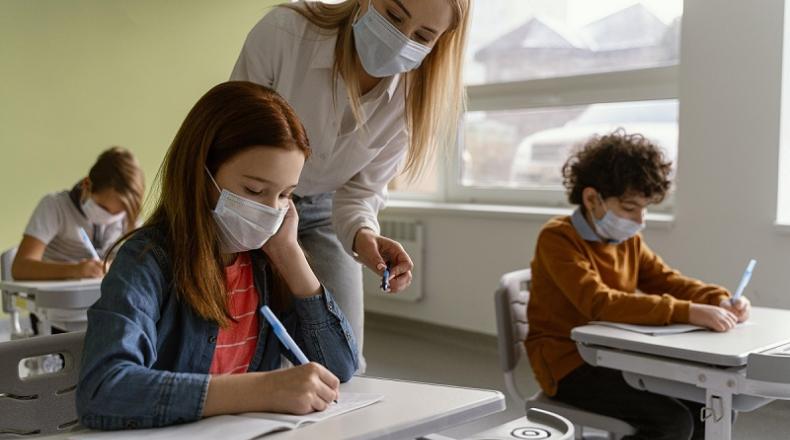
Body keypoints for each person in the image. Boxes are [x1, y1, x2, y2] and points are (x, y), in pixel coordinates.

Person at [76, 82, 358, 429]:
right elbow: (103, 389)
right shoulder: (147, 260)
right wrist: (261, 390)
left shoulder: (265, 263)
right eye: (254, 189)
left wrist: (290, 254)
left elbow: (340, 368)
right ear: (201, 174)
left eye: (286, 195)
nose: (272, 211)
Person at [231, 0, 471, 367]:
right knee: (244, 349)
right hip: (249, 197)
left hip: (323, 210)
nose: (400, 40)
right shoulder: (285, 33)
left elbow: (360, 192)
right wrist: (263, 213)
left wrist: (364, 236)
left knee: (344, 361)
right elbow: (230, 139)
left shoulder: (414, 98)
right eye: (394, 15)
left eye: (423, 36)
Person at [526, 130, 751, 440]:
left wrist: (718, 299)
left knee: (713, 407)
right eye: (630, 208)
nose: (639, 220)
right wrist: (688, 311)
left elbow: (666, 279)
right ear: (592, 199)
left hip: (617, 355)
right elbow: (599, 302)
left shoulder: (627, 240)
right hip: (567, 365)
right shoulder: (557, 238)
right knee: (673, 423)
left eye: (645, 209)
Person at [12, 146, 144, 333]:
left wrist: (114, 266)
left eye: (117, 214)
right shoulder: (54, 207)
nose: (110, 218)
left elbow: (140, 264)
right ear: (87, 185)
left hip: (108, 312)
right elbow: (20, 267)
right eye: (104, 209)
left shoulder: (129, 216)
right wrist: (76, 270)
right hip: (58, 315)